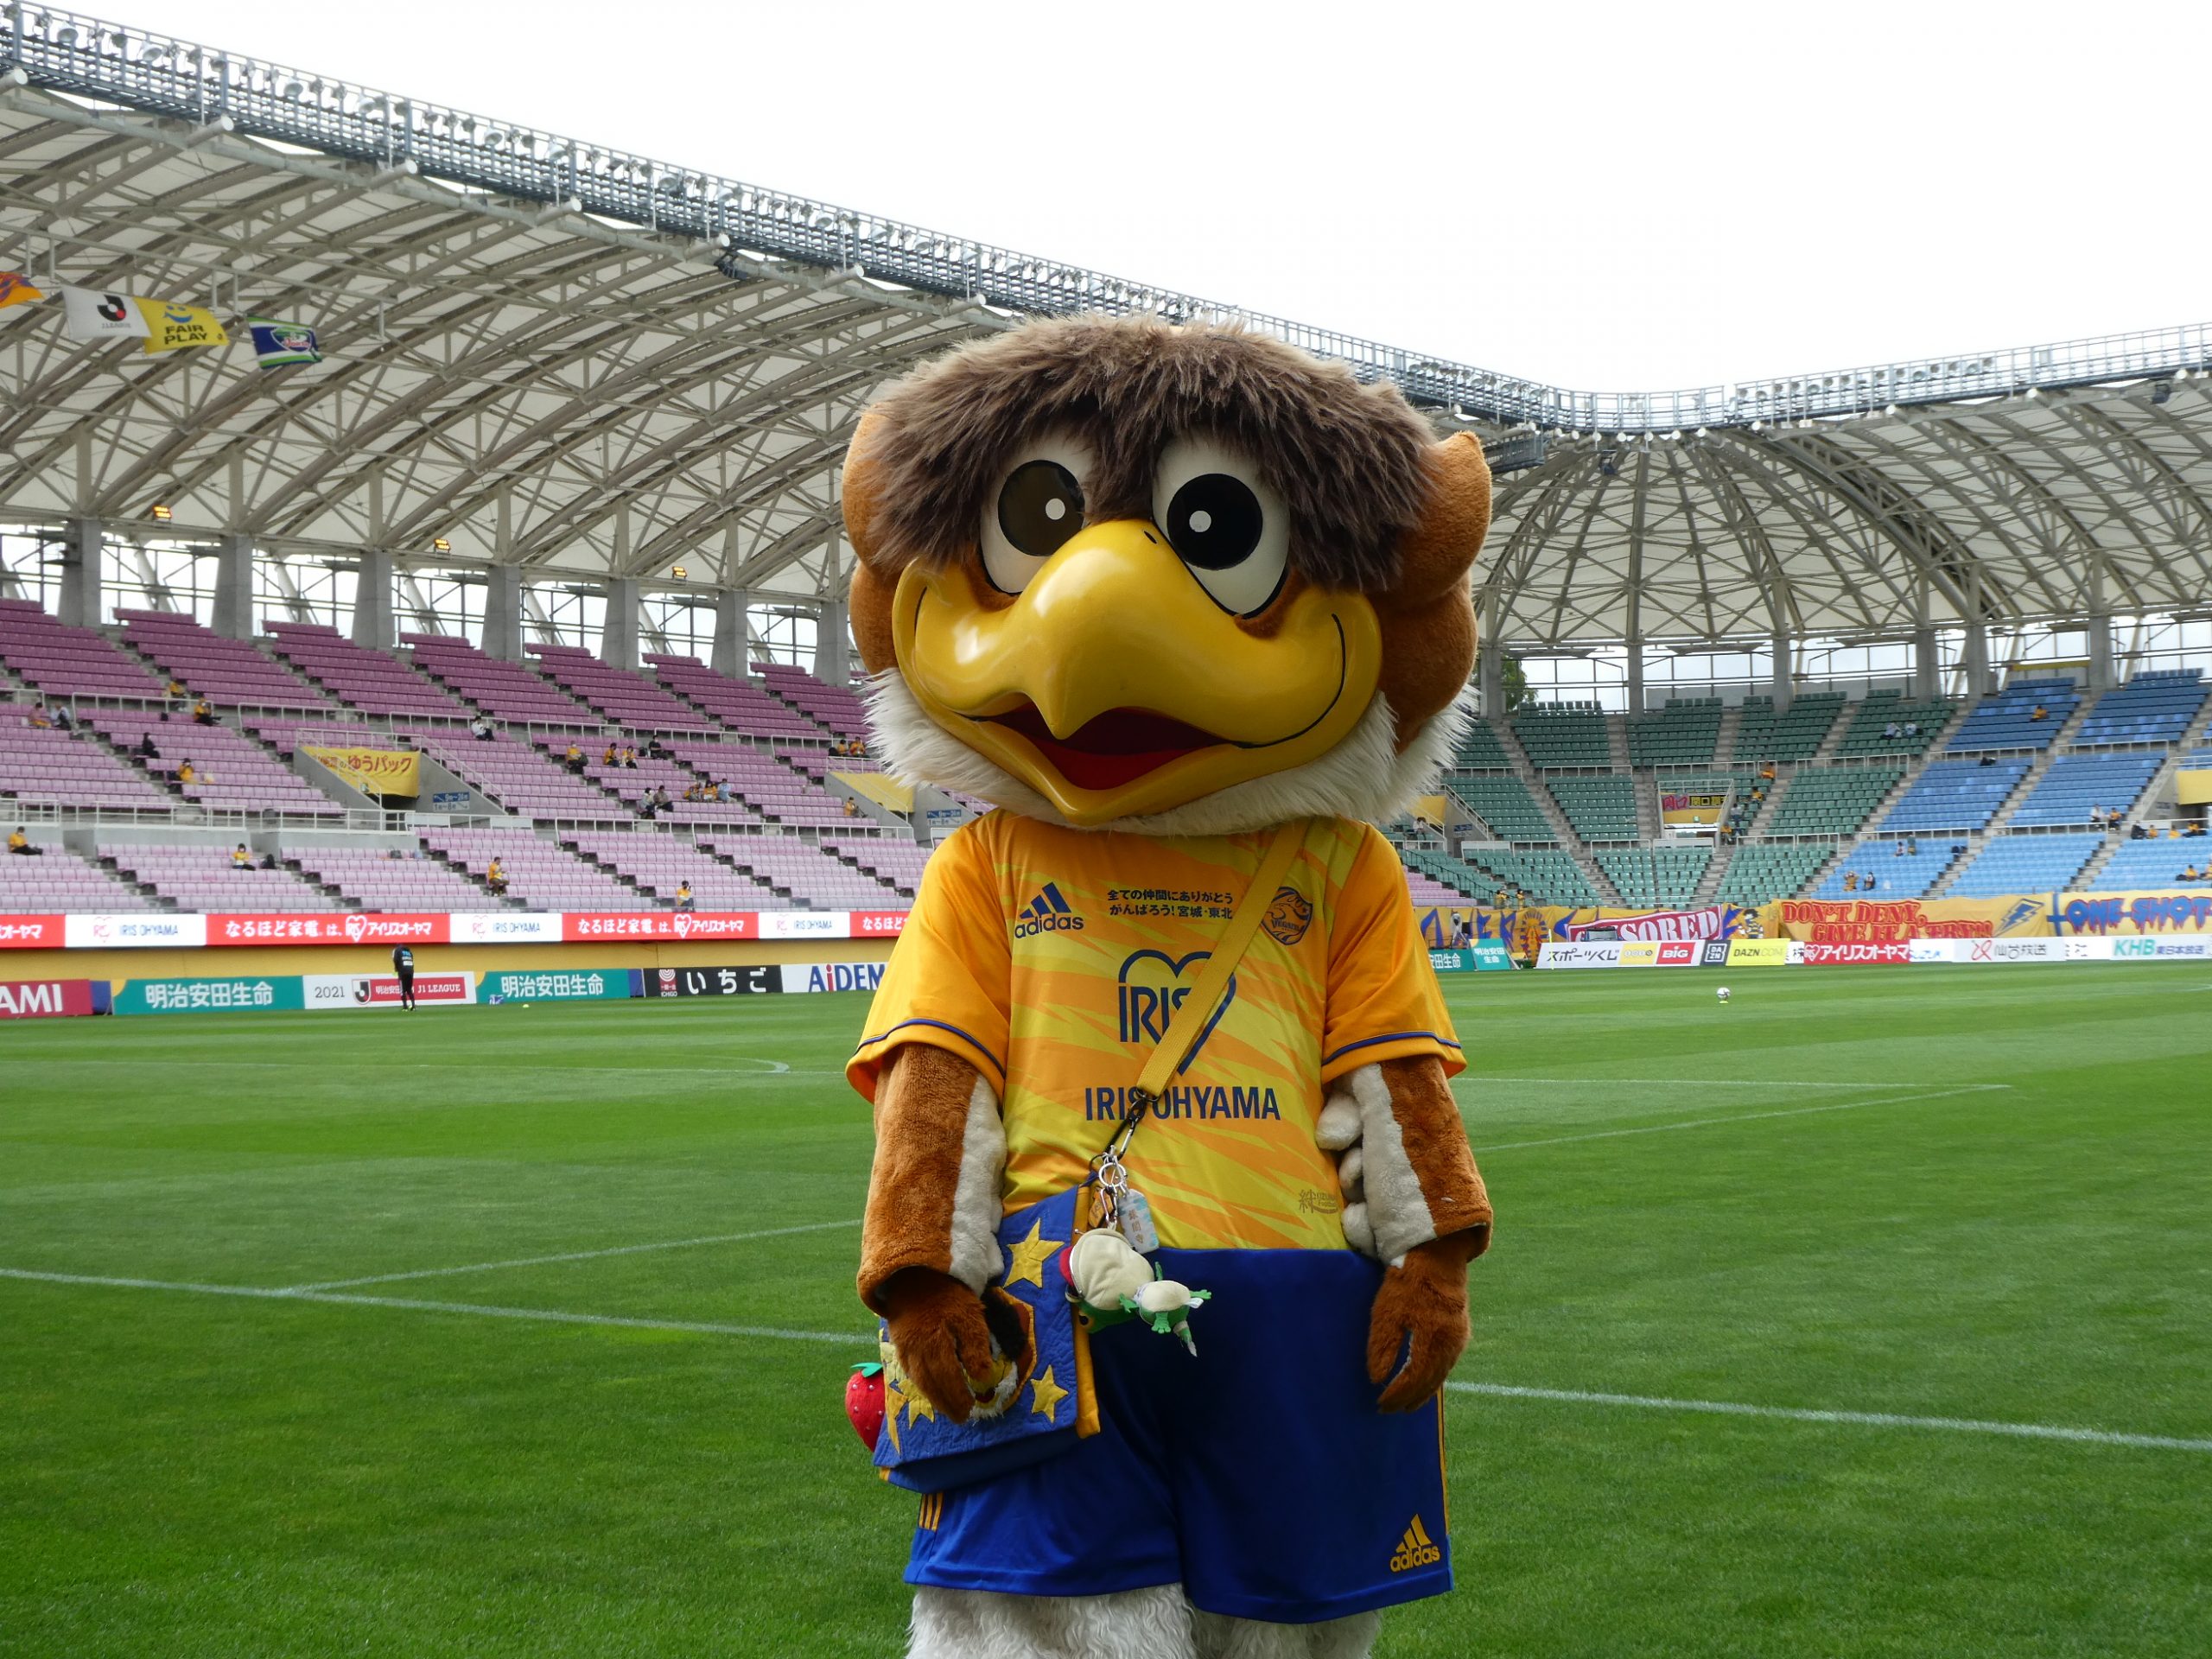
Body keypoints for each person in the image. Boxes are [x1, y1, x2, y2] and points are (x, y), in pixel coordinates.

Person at [391, 943, 417, 1011]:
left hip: (402, 971)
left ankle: (405, 1007)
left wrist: (396, 968)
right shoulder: (409, 952)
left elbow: (396, 959)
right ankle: (413, 1006)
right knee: (409, 989)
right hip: (410, 972)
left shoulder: (397, 950)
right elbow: (412, 961)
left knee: (402, 990)